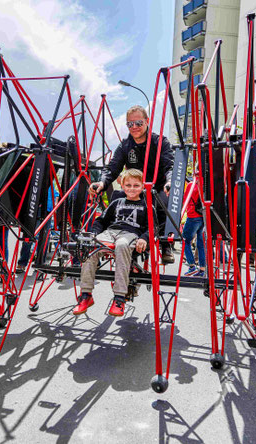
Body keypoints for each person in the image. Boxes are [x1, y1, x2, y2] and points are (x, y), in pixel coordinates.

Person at [89, 105, 175, 264]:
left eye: (138, 123)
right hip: (135, 188)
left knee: (163, 200)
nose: (134, 127)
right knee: (118, 197)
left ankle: (165, 244)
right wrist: (101, 182)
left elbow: (169, 166)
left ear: (147, 121)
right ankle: (110, 236)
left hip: (157, 186)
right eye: (130, 124)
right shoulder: (125, 145)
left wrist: (170, 181)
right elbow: (112, 168)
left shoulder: (160, 142)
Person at [74, 169, 154, 317]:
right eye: (128, 185)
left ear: (143, 186)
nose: (131, 188)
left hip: (130, 234)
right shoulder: (117, 202)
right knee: (91, 245)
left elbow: (152, 227)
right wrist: (94, 234)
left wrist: (144, 238)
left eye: (136, 185)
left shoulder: (147, 205)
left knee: (122, 244)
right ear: (122, 186)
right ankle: (85, 295)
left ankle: (119, 297)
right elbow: (101, 221)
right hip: (110, 232)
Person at [182, 173, 206, 276]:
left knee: (185, 241)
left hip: (193, 215)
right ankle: (202, 269)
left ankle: (192, 266)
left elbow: (185, 200)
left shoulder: (191, 185)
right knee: (200, 244)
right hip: (203, 216)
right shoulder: (206, 185)